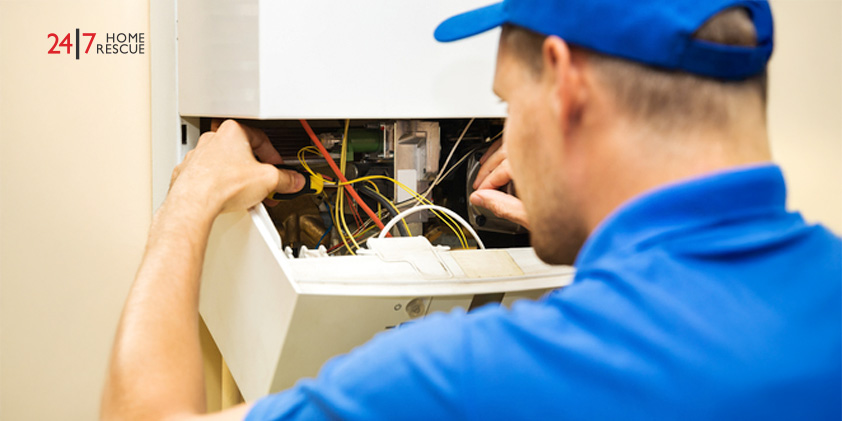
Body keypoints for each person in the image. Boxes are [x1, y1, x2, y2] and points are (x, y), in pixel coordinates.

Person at [101, 0, 842, 419]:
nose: (505, 136)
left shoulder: (480, 377)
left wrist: (190, 199)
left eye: (506, 105)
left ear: (563, 82)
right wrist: (598, 231)